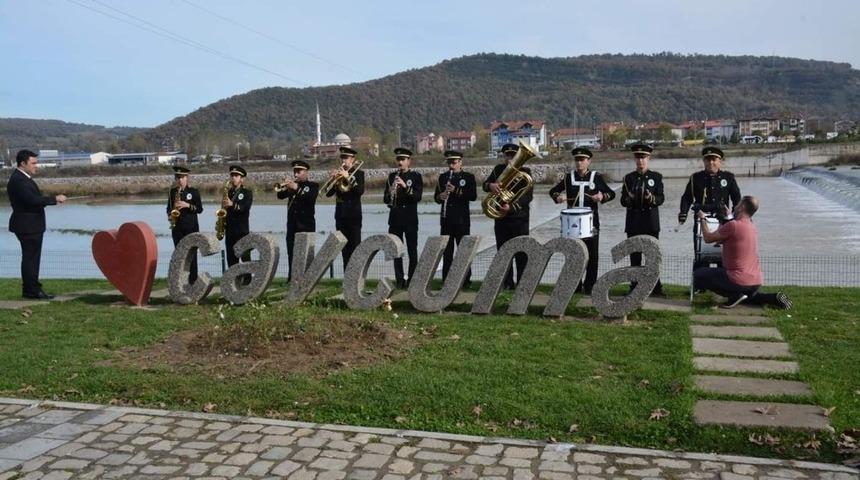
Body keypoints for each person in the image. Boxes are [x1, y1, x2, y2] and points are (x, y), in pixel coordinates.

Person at [694, 195, 792, 309]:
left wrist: (702, 218)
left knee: (699, 274)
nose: (735, 207)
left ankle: (735, 295)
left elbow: (708, 238)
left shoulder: (733, 225)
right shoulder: (752, 226)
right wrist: (726, 217)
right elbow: (722, 239)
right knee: (749, 297)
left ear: (743, 207)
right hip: (755, 280)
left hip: (737, 279)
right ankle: (774, 298)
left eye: (738, 204)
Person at [549, 146, 615, 294]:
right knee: (574, 255)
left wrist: (601, 197)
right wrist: (558, 197)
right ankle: (575, 285)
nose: (579, 163)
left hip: (591, 223)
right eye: (577, 160)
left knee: (592, 256)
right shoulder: (568, 178)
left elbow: (611, 193)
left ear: (588, 161)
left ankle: (590, 286)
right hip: (572, 225)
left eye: (582, 160)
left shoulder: (596, 177)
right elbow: (552, 191)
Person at [6, 149, 67, 299]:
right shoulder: (18, 181)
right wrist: (54, 199)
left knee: (31, 258)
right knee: (30, 259)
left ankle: (30, 289)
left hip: (31, 225)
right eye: (33, 163)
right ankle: (32, 291)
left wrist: (50, 201)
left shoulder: (24, 178)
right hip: (27, 226)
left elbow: (33, 200)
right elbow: (32, 200)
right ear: (23, 163)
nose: (36, 166)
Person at [679, 146, 741, 270]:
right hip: (701, 220)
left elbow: (737, 200)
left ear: (720, 161)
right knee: (700, 256)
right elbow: (687, 198)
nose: (711, 162)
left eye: (714, 159)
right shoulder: (696, 178)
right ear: (704, 161)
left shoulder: (728, 178)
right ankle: (699, 285)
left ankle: (723, 285)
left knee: (723, 257)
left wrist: (736, 217)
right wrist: (683, 213)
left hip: (723, 221)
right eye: (708, 159)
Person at [484, 143, 533, 289]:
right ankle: (507, 283)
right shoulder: (498, 170)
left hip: (520, 219)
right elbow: (485, 185)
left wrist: (510, 207)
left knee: (521, 252)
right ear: (504, 156)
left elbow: (528, 197)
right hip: (501, 219)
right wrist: (490, 186)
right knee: (503, 251)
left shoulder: (526, 171)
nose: (510, 158)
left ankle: (522, 283)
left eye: (513, 155)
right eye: (508, 155)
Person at [620, 143, 664, 295]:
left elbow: (661, 198)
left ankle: (656, 287)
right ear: (635, 159)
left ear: (648, 158)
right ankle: (634, 287)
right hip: (634, 222)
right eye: (638, 158)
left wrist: (650, 197)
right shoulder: (628, 178)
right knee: (635, 256)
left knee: (653, 257)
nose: (640, 161)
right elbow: (622, 201)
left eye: (643, 157)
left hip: (651, 223)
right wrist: (630, 197)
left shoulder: (656, 177)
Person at [434, 150, 477, 285]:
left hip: (462, 220)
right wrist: (441, 196)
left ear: (460, 162)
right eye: (449, 163)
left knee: (463, 251)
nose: (451, 166)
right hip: (446, 220)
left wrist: (456, 190)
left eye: (454, 162)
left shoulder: (468, 177)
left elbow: (473, 196)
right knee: (447, 253)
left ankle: (465, 280)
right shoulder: (443, 177)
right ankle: (447, 280)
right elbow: (436, 197)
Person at [383, 147, 422, 289]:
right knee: (395, 251)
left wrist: (405, 187)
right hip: (395, 219)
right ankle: (399, 280)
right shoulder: (391, 177)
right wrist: (392, 190)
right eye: (398, 159)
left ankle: (412, 280)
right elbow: (385, 199)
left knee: (412, 250)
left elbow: (417, 197)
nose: (400, 162)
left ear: (408, 161)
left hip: (410, 219)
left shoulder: (416, 176)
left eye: (403, 159)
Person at [277, 160, 318, 280]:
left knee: (306, 254)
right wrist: (285, 186)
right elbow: (280, 196)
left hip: (306, 225)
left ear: (306, 172)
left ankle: (307, 278)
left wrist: (296, 188)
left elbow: (309, 198)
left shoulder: (312, 186)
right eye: (295, 172)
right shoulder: (292, 187)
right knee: (291, 252)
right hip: (292, 225)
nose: (296, 175)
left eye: (299, 172)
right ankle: (291, 277)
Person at [325, 146, 364, 271]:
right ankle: (346, 277)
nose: (343, 160)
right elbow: (328, 193)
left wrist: (348, 177)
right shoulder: (338, 174)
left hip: (353, 216)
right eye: (342, 157)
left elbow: (359, 191)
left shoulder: (359, 174)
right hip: (340, 216)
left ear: (353, 159)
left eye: (346, 158)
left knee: (355, 248)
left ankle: (356, 277)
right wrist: (332, 179)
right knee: (344, 250)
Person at [167, 166, 203, 283]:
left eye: (182, 177)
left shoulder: (193, 191)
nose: (180, 180)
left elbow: (200, 209)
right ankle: (180, 283)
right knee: (179, 256)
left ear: (187, 178)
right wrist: (170, 215)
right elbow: (168, 208)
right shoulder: (173, 192)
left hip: (191, 227)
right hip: (177, 228)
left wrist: (187, 205)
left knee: (192, 257)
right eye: (177, 177)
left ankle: (193, 283)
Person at [223, 165, 253, 285]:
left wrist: (232, 204)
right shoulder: (228, 192)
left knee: (245, 257)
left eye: (236, 176)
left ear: (242, 178)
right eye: (232, 175)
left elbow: (245, 209)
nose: (233, 178)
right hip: (229, 230)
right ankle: (234, 282)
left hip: (241, 230)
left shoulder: (247, 193)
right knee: (231, 259)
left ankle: (247, 281)